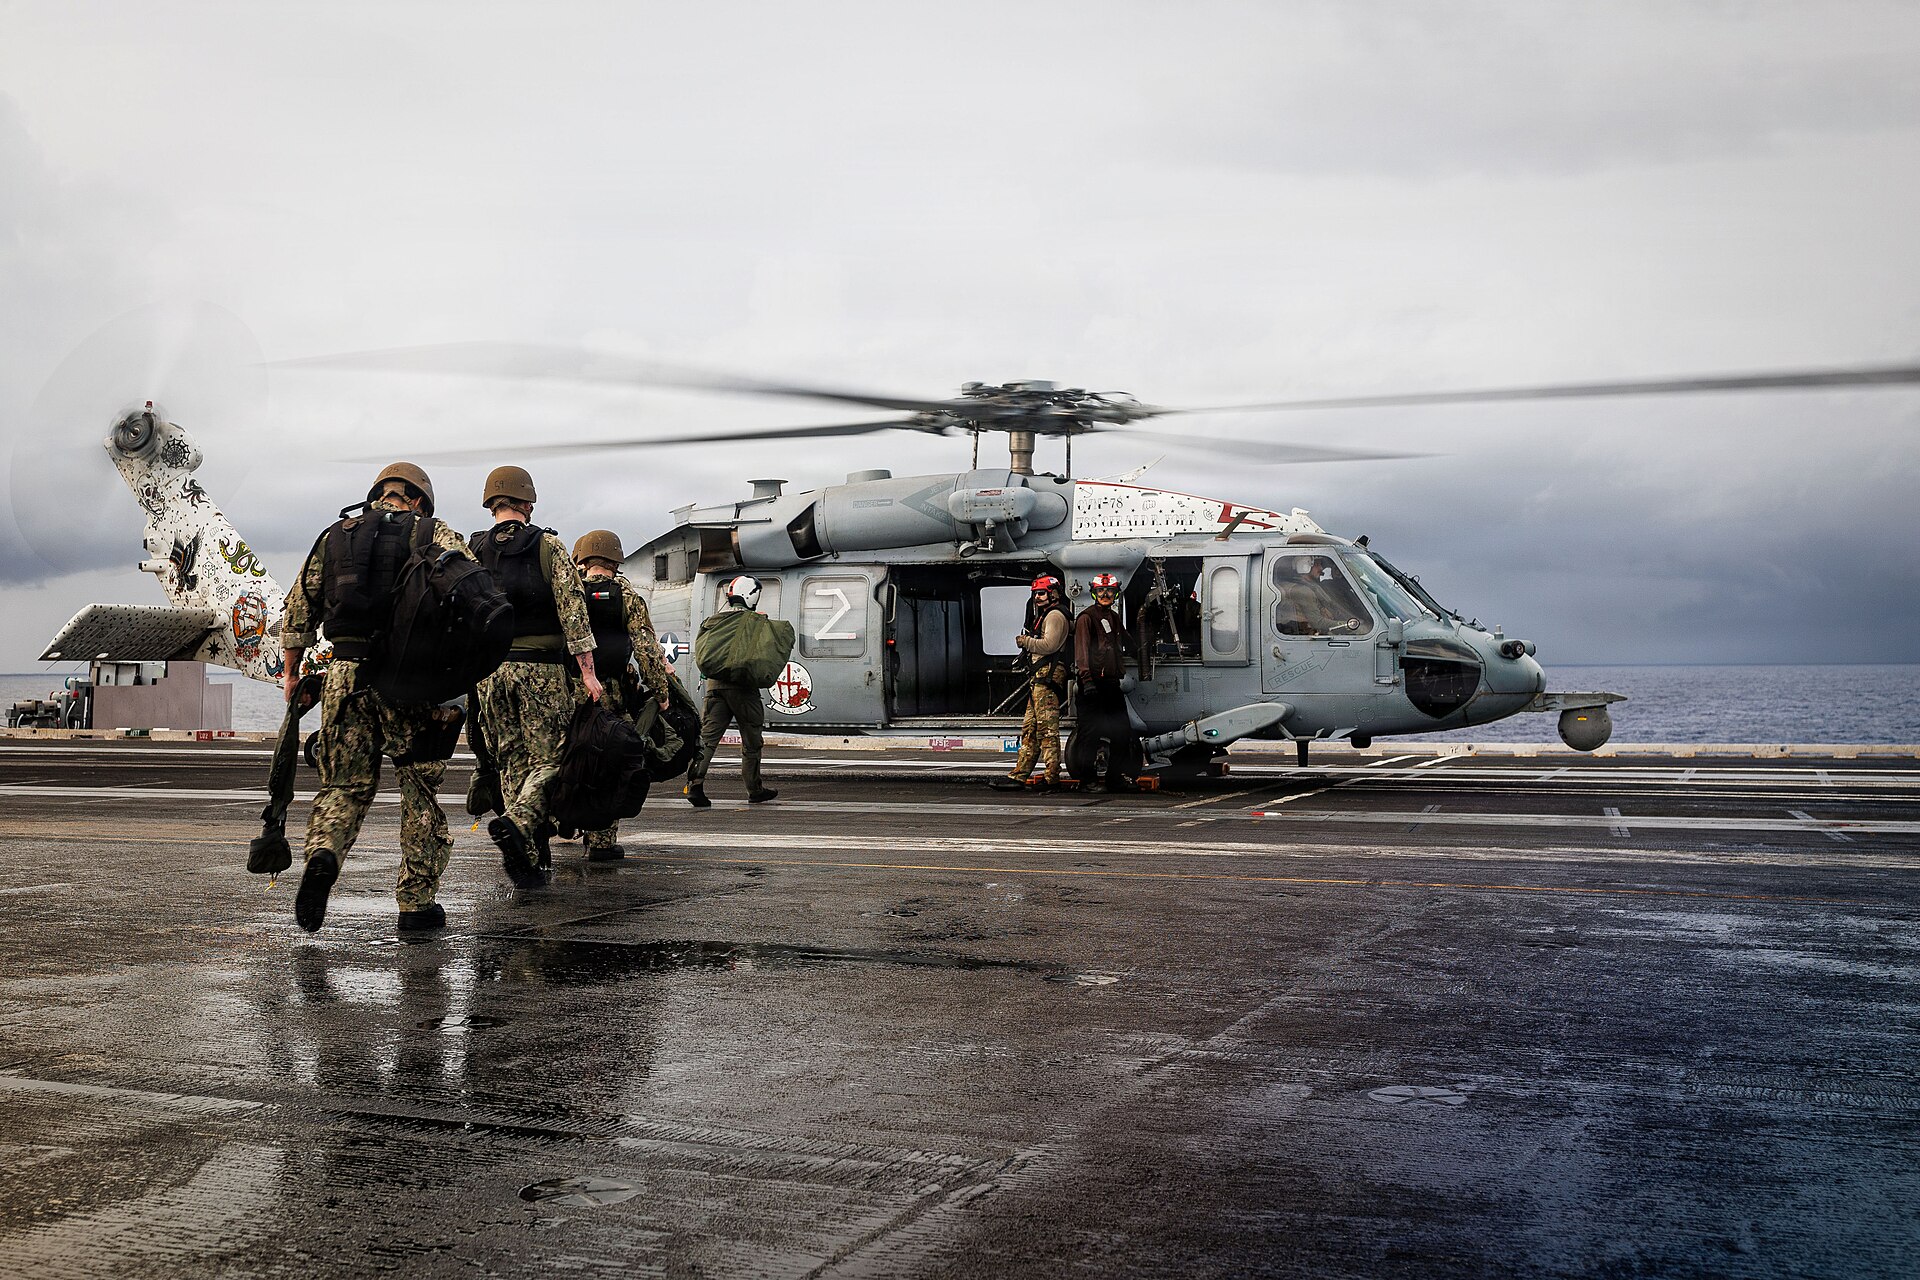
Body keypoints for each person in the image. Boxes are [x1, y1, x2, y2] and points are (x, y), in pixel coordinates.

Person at [280, 463, 477, 933]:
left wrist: (291, 675)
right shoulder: (433, 532)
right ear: (419, 501)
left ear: (376, 495)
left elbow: (297, 609)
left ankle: (324, 856)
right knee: (418, 788)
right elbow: (472, 591)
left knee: (344, 786)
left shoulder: (335, 536)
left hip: (344, 674)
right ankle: (416, 903)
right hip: (408, 676)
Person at [467, 466, 602, 886]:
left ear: (491, 503)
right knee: (553, 758)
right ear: (527, 503)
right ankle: (521, 825)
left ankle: (528, 858)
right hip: (539, 669)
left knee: (510, 759)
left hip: (490, 672)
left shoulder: (473, 551)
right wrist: (589, 674)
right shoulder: (549, 546)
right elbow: (573, 614)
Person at [572, 529, 673, 860]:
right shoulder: (628, 599)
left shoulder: (567, 595)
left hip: (568, 691)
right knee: (609, 762)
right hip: (611, 694)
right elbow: (646, 649)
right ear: (616, 562)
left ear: (583, 560)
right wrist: (660, 691)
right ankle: (600, 841)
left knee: (567, 757)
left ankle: (563, 819)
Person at [686, 574, 781, 807]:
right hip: (743, 690)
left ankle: (694, 786)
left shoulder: (712, 621)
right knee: (751, 741)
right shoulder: (756, 621)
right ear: (752, 596)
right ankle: (754, 789)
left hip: (715, 688)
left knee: (707, 740)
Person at [994, 574, 1072, 791]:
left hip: (1047, 678)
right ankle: (1019, 775)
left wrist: (1025, 642)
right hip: (1039, 679)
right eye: (1035, 594)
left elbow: (1049, 645)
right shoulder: (1046, 615)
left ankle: (1052, 777)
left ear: (1053, 594)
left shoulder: (1055, 616)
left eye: (1041, 593)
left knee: (1047, 730)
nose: (1037, 597)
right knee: (1030, 728)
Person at [1073, 571, 1140, 793]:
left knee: (1122, 733)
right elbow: (1082, 652)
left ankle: (1114, 779)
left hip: (1110, 684)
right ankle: (1087, 781)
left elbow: (1127, 640)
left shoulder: (1113, 617)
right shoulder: (1086, 618)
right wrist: (1086, 679)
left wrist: (1142, 650)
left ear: (1115, 594)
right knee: (1089, 735)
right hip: (1092, 685)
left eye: (1109, 590)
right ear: (1094, 593)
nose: (1105, 594)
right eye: (1101, 590)